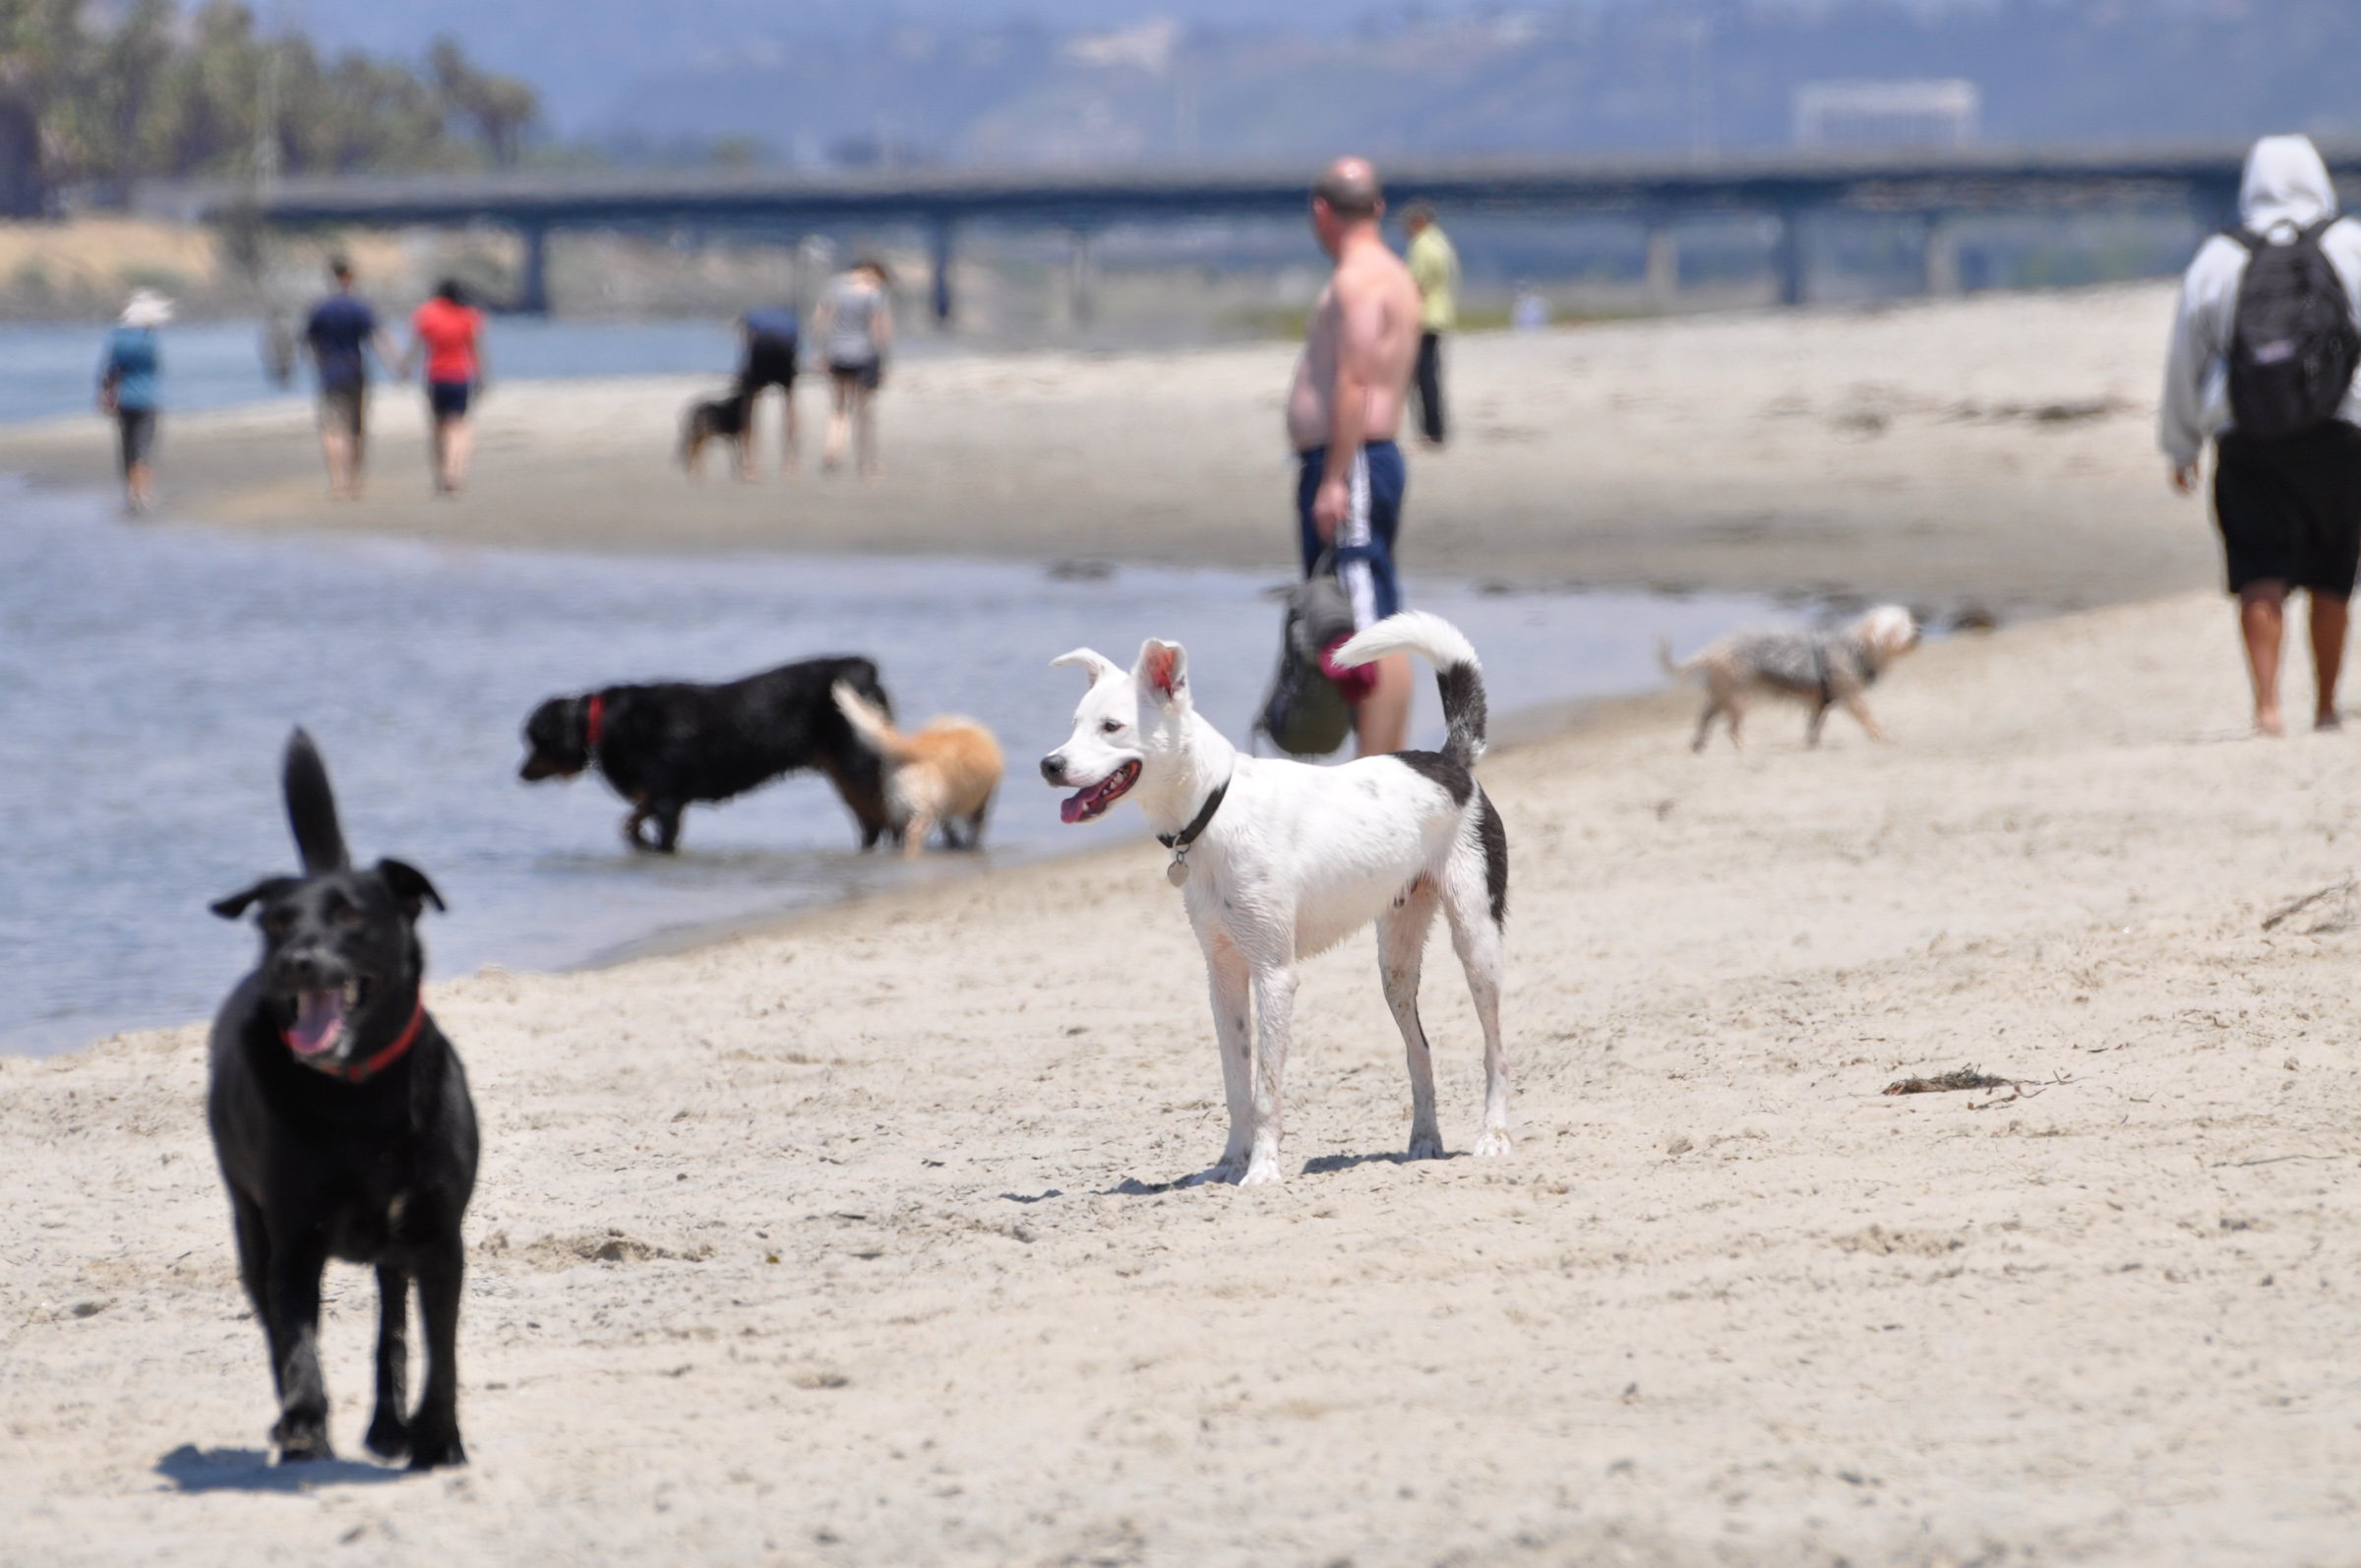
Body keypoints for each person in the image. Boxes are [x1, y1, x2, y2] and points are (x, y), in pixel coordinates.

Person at [2162, 134, 2361, 736]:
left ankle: (2268, 707)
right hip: (2341, 431)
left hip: (2246, 433)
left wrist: (2180, 443)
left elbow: (2185, 358)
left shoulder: (2219, 257)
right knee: (2334, 572)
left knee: (2258, 568)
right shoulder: (2349, 244)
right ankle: (2326, 708)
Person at [1287, 156, 1423, 756]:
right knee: (1371, 612)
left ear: (1322, 211)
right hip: (1366, 458)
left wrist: (1335, 479)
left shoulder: (1357, 281)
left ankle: (1376, 770)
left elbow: (1355, 381)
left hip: (1356, 462)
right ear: (1378, 207)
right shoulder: (1393, 272)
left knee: (1364, 621)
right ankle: (1382, 762)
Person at [303, 257, 401, 501]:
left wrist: (318, 362)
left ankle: (337, 484)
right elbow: (378, 338)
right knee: (356, 429)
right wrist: (396, 366)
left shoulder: (320, 308)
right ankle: (354, 482)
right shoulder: (360, 307)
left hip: (329, 373)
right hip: (355, 370)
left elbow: (308, 340)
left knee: (332, 429)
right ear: (350, 276)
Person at [407, 278, 489, 496]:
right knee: (459, 427)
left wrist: (405, 367)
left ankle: (441, 473)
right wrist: (481, 378)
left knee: (437, 428)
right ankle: (455, 473)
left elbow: (417, 345)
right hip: (460, 377)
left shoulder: (427, 314)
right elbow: (475, 350)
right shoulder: (469, 316)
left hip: (436, 377)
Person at [813, 257, 892, 476]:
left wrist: (820, 351)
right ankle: (866, 463)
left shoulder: (835, 286)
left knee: (838, 407)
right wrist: (883, 358)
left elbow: (822, 318)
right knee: (863, 411)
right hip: (864, 354)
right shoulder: (874, 291)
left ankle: (832, 451)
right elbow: (880, 327)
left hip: (837, 353)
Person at [97, 289, 171, 513]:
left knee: (127, 448)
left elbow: (110, 372)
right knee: (144, 449)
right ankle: (141, 494)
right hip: (147, 401)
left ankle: (130, 493)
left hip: (124, 401)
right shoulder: (150, 341)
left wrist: (104, 396)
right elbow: (157, 368)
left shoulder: (118, 339)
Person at [1400, 200, 1459, 448]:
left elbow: (1415, 283)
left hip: (1424, 317)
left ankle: (1432, 431)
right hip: (1440, 314)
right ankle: (1436, 429)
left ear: (1419, 221)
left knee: (1424, 377)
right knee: (1431, 374)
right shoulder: (1441, 242)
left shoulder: (1422, 246)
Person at [737, 303, 802, 476]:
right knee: (788, 401)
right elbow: (795, 345)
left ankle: (748, 461)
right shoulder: (790, 319)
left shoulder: (754, 316)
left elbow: (746, 342)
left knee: (751, 402)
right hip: (784, 348)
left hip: (761, 346)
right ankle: (791, 461)